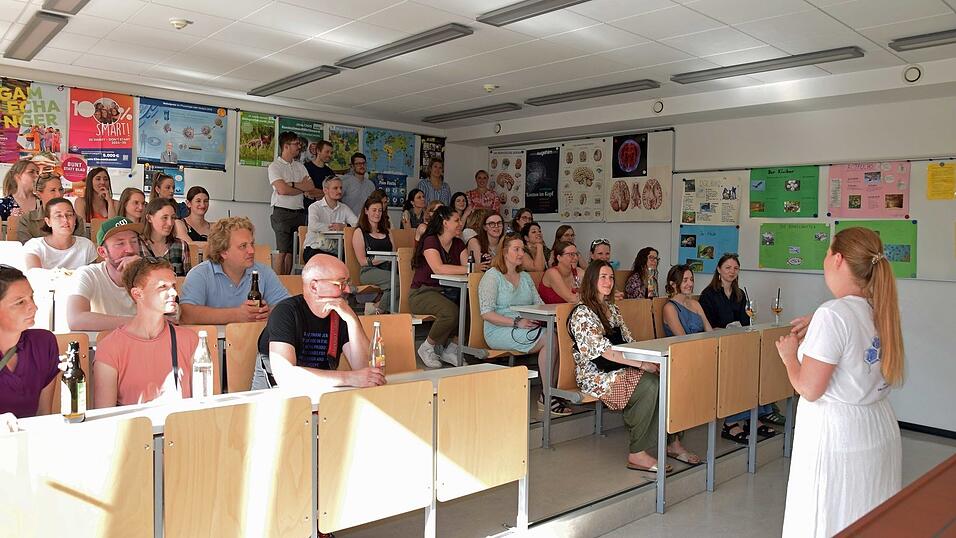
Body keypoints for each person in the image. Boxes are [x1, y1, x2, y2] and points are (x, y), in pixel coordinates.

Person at [776, 227, 904, 537]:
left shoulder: (833, 314)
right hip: (877, 428)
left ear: (838, 259)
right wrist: (819, 321)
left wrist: (789, 356)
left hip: (838, 437)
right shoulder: (878, 308)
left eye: (825, 254)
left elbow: (809, 388)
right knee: (867, 515)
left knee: (828, 516)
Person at [567, 261, 669, 471]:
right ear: (592, 280)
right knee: (649, 384)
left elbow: (628, 342)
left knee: (665, 376)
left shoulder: (611, 308)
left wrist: (650, 362)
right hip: (595, 376)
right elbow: (605, 352)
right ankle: (637, 453)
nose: (608, 281)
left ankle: (672, 441)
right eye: (603, 277)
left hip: (619, 368)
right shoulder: (582, 313)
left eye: (611, 277)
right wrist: (642, 365)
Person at [251, 254, 381, 392]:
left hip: (321, 397)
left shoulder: (341, 313)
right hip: (274, 399)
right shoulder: (286, 312)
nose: (347, 290)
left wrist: (352, 320)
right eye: (341, 284)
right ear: (314, 287)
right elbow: (286, 376)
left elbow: (365, 370)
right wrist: (349, 378)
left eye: (347, 283)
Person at [479, 232, 571, 416]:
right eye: (517, 249)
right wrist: (516, 322)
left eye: (522, 249)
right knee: (549, 338)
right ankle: (547, 395)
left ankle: (553, 390)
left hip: (526, 325)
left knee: (560, 337)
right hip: (500, 329)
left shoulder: (526, 277)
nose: (521, 253)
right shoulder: (492, 276)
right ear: (504, 252)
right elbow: (487, 313)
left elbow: (539, 305)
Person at [93, 258, 197, 408]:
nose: (174, 292)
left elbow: (206, 403)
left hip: (182, 428)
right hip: (136, 429)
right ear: (137, 294)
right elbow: (104, 414)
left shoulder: (190, 340)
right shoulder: (110, 348)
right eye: (163, 287)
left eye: (173, 286)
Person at [698, 254, 780, 444]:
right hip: (718, 345)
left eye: (735, 268)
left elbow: (746, 322)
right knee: (739, 371)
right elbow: (706, 326)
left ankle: (754, 417)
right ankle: (731, 422)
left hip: (737, 344)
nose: (732, 272)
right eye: (728, 268)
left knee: (758, 366)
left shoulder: (740, 294)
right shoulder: (708, 294)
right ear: (718, 269)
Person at [179, 217, 288, 325]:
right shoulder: (200, 274)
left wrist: (268, 313)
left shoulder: (264, 272)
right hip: (213, 341)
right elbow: (186, 314)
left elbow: (288, 307)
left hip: (253, 339)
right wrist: (237, 315)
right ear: (223, 252)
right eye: (243, 246)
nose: (251, 250)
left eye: (252, 244)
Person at [409, 206, 468, 368]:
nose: (460, 223)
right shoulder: (430, 241)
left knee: (472, 306)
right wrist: (470, 269)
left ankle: (452, 348)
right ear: (445, 223)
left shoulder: (458, 243)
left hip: (447, 292)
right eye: (456, 220)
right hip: (422, 292)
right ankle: (427, 347)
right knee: (450, 312)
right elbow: (439, 268)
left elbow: (468, 265)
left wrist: (471, 269)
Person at [0, 266, 58, 419]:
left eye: (31, 298)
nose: (34, 307)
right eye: (20, 302)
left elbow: (43, 415)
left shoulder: (44, 343)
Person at [66, 216, 142, 331]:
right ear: (102, 252)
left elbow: (167, 316)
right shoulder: (88, 274)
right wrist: (139, 322)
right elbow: (75, 319)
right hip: (103, 345)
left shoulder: (148, 274)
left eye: (134, 241)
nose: (130, 249)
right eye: (120, 243)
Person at [269, 131, 317, 275]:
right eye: (296, 144)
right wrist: (299, 187)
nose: (299, 146)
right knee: (281, 251)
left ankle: (287, 283)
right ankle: (278, 286)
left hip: (299, 213)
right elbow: (282, 190)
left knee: (292, 253)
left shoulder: (300, 166)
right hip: (282, 213)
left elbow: (310, 186)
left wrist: (292, 185)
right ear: (286, 146)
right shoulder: (275, 166)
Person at [23, 197, 97, 270]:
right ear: (48, 222)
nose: (65, 220)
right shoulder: (34, 246)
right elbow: (34, 276)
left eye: (69, 215)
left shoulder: (87, 246)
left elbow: (92, 278)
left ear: (75, 219)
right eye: (58, 216)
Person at [351, 197, 394, 313]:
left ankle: (378, 307)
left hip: (389, 268)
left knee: (406, 281)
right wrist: (383, 258)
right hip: (368, 270)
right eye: (374, 210)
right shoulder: (359, 232)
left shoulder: (387, 231)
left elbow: (394, 251)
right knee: (396, 282)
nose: (377, 213)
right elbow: (362, 261)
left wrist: (389, 259)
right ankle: (379, 310)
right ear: (366, 211)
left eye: (380, 210)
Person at [18, 173, 87, 242]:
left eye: (60, 189)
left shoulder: (76, 219)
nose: (59, 195)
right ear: (39, 194)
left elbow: (79, 247)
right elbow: (28, 248)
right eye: (53, 190)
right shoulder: (27, 220)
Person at [304, 176, 358, 261]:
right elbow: (313, 226)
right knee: (328, 262)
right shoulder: (315, 207)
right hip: (314, 248)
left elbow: (358, 224)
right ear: (325, 190)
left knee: (352, 258)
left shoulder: (344, 208)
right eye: (335, 188)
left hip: (335, 250)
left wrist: (345, 227)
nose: (339, 191)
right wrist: (334, 228)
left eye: (340, 188)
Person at [139, 198, 190, 276]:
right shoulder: (138, 244)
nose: (170, 223)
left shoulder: (182, 245)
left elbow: (188, 281)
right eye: (164, 217)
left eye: (173, 218)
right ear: (149, 218)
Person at [662, 264, 713, 337]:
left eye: (691, 279)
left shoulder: (695, 304)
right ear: (673, 284)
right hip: (683, 347)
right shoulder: (669, 308)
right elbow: (683, 339)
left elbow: (709, 332)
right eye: (685, 280)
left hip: (702, 344)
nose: (690, 283)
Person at [304, 139, 334, 208]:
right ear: (318, 151)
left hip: (325, 211)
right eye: (327, 152)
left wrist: (319, 193)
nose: (330, 155)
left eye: (331, 153)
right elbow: (308, 191)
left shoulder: (330, 172)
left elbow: (333, 193)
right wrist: (326, 193)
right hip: (308, 210)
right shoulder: (306, 168)